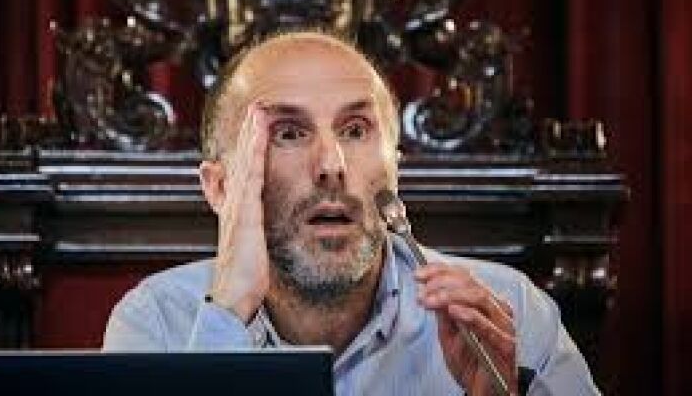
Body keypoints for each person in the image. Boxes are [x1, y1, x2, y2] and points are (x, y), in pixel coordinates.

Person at [103, 30, 600, 395]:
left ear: (393, 169)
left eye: (356, 130)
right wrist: (227, 314)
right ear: (220, 187)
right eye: (289, 133)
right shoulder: (157, 325)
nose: (332, 166)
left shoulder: (510, 312)